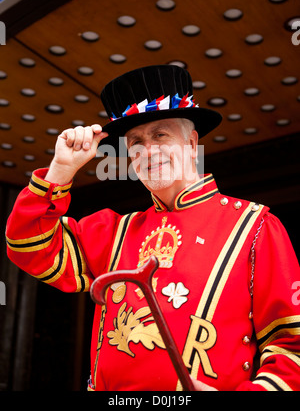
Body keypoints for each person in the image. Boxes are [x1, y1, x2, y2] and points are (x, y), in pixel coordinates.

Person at [6, 65, 300, 391]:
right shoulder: (114, 231)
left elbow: (293, 348)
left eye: (160, 135)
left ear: (191, 142)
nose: (148, 151)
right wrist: (60, 170)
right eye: (135, 141)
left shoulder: (256, 226)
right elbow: (26, 245)